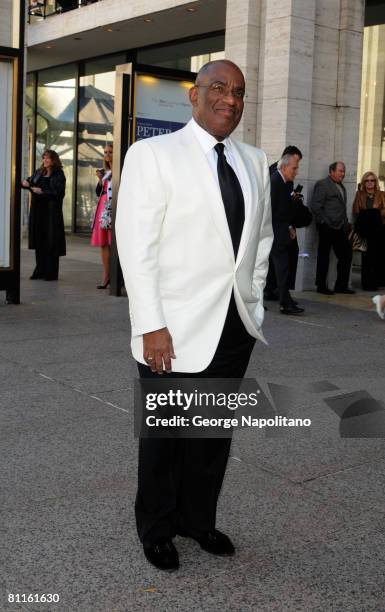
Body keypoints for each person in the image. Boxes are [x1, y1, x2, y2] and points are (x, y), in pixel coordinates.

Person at [116, 60, 273, 571]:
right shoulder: (153, 154)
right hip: (172, 330)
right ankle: (157, 528)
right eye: (219, 89)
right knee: (164, 436)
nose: (230, 99)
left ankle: (197, 520)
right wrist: (151, 325)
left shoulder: (254, 160)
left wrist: (252, 298)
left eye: (239, 93)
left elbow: (262, 241)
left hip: (233, 326)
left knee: (212, 435)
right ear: (194, 94)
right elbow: (135, 246)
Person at [267, 155, 304, 315]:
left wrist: (289, 226)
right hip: (275, 233)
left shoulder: (284, 182)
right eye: (294, 168)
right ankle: (285, 303)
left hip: (280, 231)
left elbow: (282, 209)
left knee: (282, 269)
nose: (296, 172)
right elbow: (271, 210)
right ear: (283, 167)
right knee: (281, 269)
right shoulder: (275, 182)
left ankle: (285, 301)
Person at [310, 161, 355, 295]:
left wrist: (345, 224)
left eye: (343, 171)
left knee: (346, 254)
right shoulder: (323, 184)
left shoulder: (341, 186)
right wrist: (323, 221)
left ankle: (341, 286)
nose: (343, 173)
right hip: (327, 227)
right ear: (331, 171)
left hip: (340, 227)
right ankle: (321, 286)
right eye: (340, 171)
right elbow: (315, 205)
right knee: (324, 256)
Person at [22, 149, 66, 281]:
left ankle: (50, 273)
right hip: (38, 211)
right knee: (39, 240)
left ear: (54, 160)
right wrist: (26, 183)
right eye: (44, 158)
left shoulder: (59, 174)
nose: (45, 160)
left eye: (48, 158)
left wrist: (43, 191)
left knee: (51, 241)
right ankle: (39, 270)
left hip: (51, 212)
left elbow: (58, 192)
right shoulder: (39, 172)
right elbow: (30, 182)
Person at [352, 172, 385, 291]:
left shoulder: (381, 194)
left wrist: (373, 214)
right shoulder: (359, 194)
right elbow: (356, 210)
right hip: (365, 230)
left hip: (379, 229)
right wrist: (369, 215)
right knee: (366, 258)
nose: (370, 183)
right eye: (367, 180)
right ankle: (366, 284)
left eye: (372, 180)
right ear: (363, 182)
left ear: (376, 182)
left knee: (377, 257)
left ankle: (376, 282)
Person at [91, 144, 113, 289]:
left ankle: (116, 275)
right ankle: (106, 275)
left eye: (110, 152)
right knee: (104, 243)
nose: (107, 154)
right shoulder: (104, 172)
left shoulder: (120, 170)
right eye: (105, 152)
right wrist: (100, 180)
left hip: (113, 206)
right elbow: (98, 192)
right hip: (103, 207)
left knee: (113, 243)